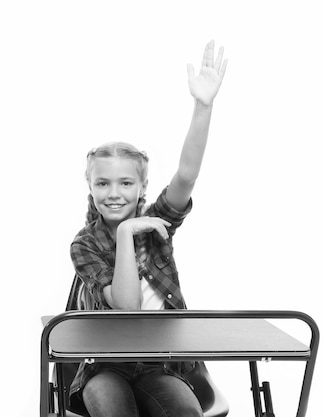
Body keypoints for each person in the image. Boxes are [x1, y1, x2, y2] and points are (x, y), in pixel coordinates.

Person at [68, 40, 227, 417]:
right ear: (90, 186)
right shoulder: (84, 245)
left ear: (141, 186)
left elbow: (187, 175)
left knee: (185, 413)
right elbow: (126, 305)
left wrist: (203, 106)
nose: (114, 194)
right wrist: (125, 234)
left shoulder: (159, 224)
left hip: (160, 363)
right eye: (103, 184)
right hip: (105, 366)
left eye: (126, 183)